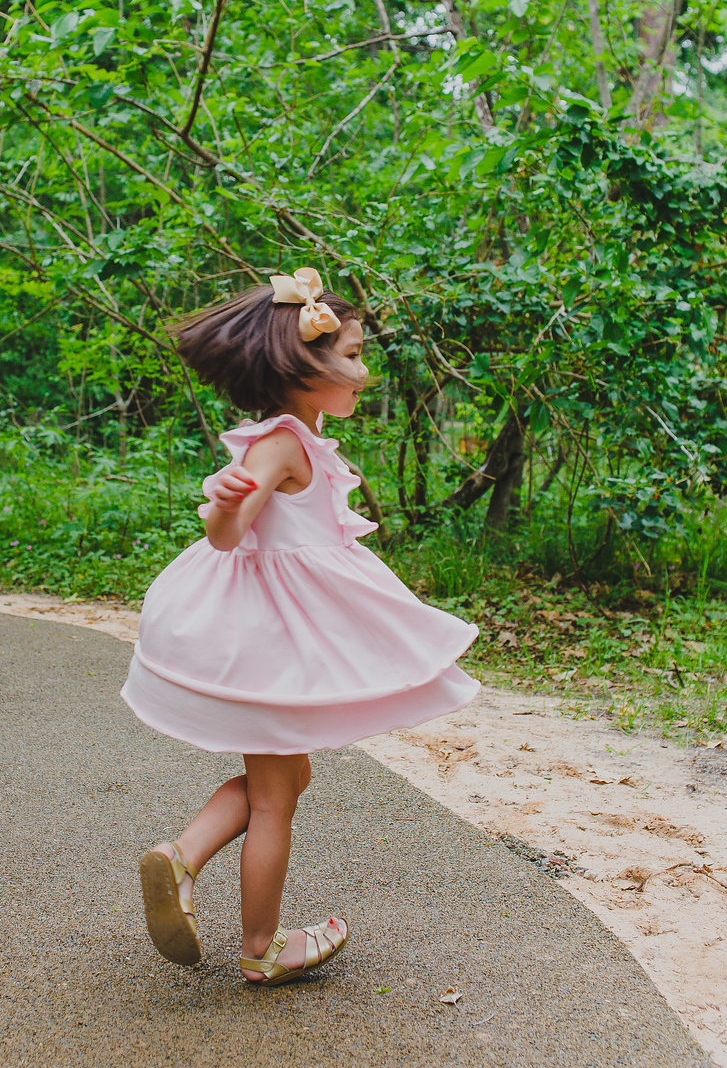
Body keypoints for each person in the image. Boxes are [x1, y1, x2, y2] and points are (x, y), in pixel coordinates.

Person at [121, 266, 479, 986]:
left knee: (281, 779)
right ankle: (261, 945)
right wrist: (224, 503)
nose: (362, 369)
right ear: (299, 363)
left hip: (270, 635)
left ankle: (183, 857)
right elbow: (228, 538)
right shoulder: (280, 445)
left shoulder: (301, 439)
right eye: (348, 354)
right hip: (269, 640)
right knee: (278, 794)